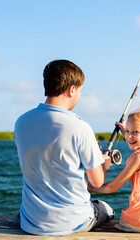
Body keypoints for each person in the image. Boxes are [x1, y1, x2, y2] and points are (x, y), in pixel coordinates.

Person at [14, 59, 114, 236]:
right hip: (73, 222)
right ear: (72, 90)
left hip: (31, 221)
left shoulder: (21, 122)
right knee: (107, 209)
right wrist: (104, 163)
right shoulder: (80, 127)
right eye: (81, 91)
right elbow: (96, 182)